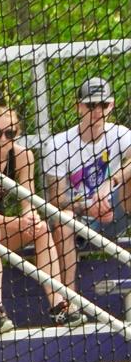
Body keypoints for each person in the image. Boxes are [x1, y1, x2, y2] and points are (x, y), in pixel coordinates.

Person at [0, 103, 77, 334]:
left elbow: (28, 202)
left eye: (10, 133)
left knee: (41, 230)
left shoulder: (22, 156)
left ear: (17, 133)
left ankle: (59, 306)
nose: (3, 140)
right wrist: (17, 222)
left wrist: (30, 219)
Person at [43, 76, 131, 302]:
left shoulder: (120, 134)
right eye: (91, 105)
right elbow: (55, 200)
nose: (97, 111)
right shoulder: (58, 145)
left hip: (116, 212)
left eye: (103, 105)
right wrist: (88, 206)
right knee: (62, 218)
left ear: (111, 106)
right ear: (78, 106)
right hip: (79, 222)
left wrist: (109, 183)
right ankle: (68, 301)